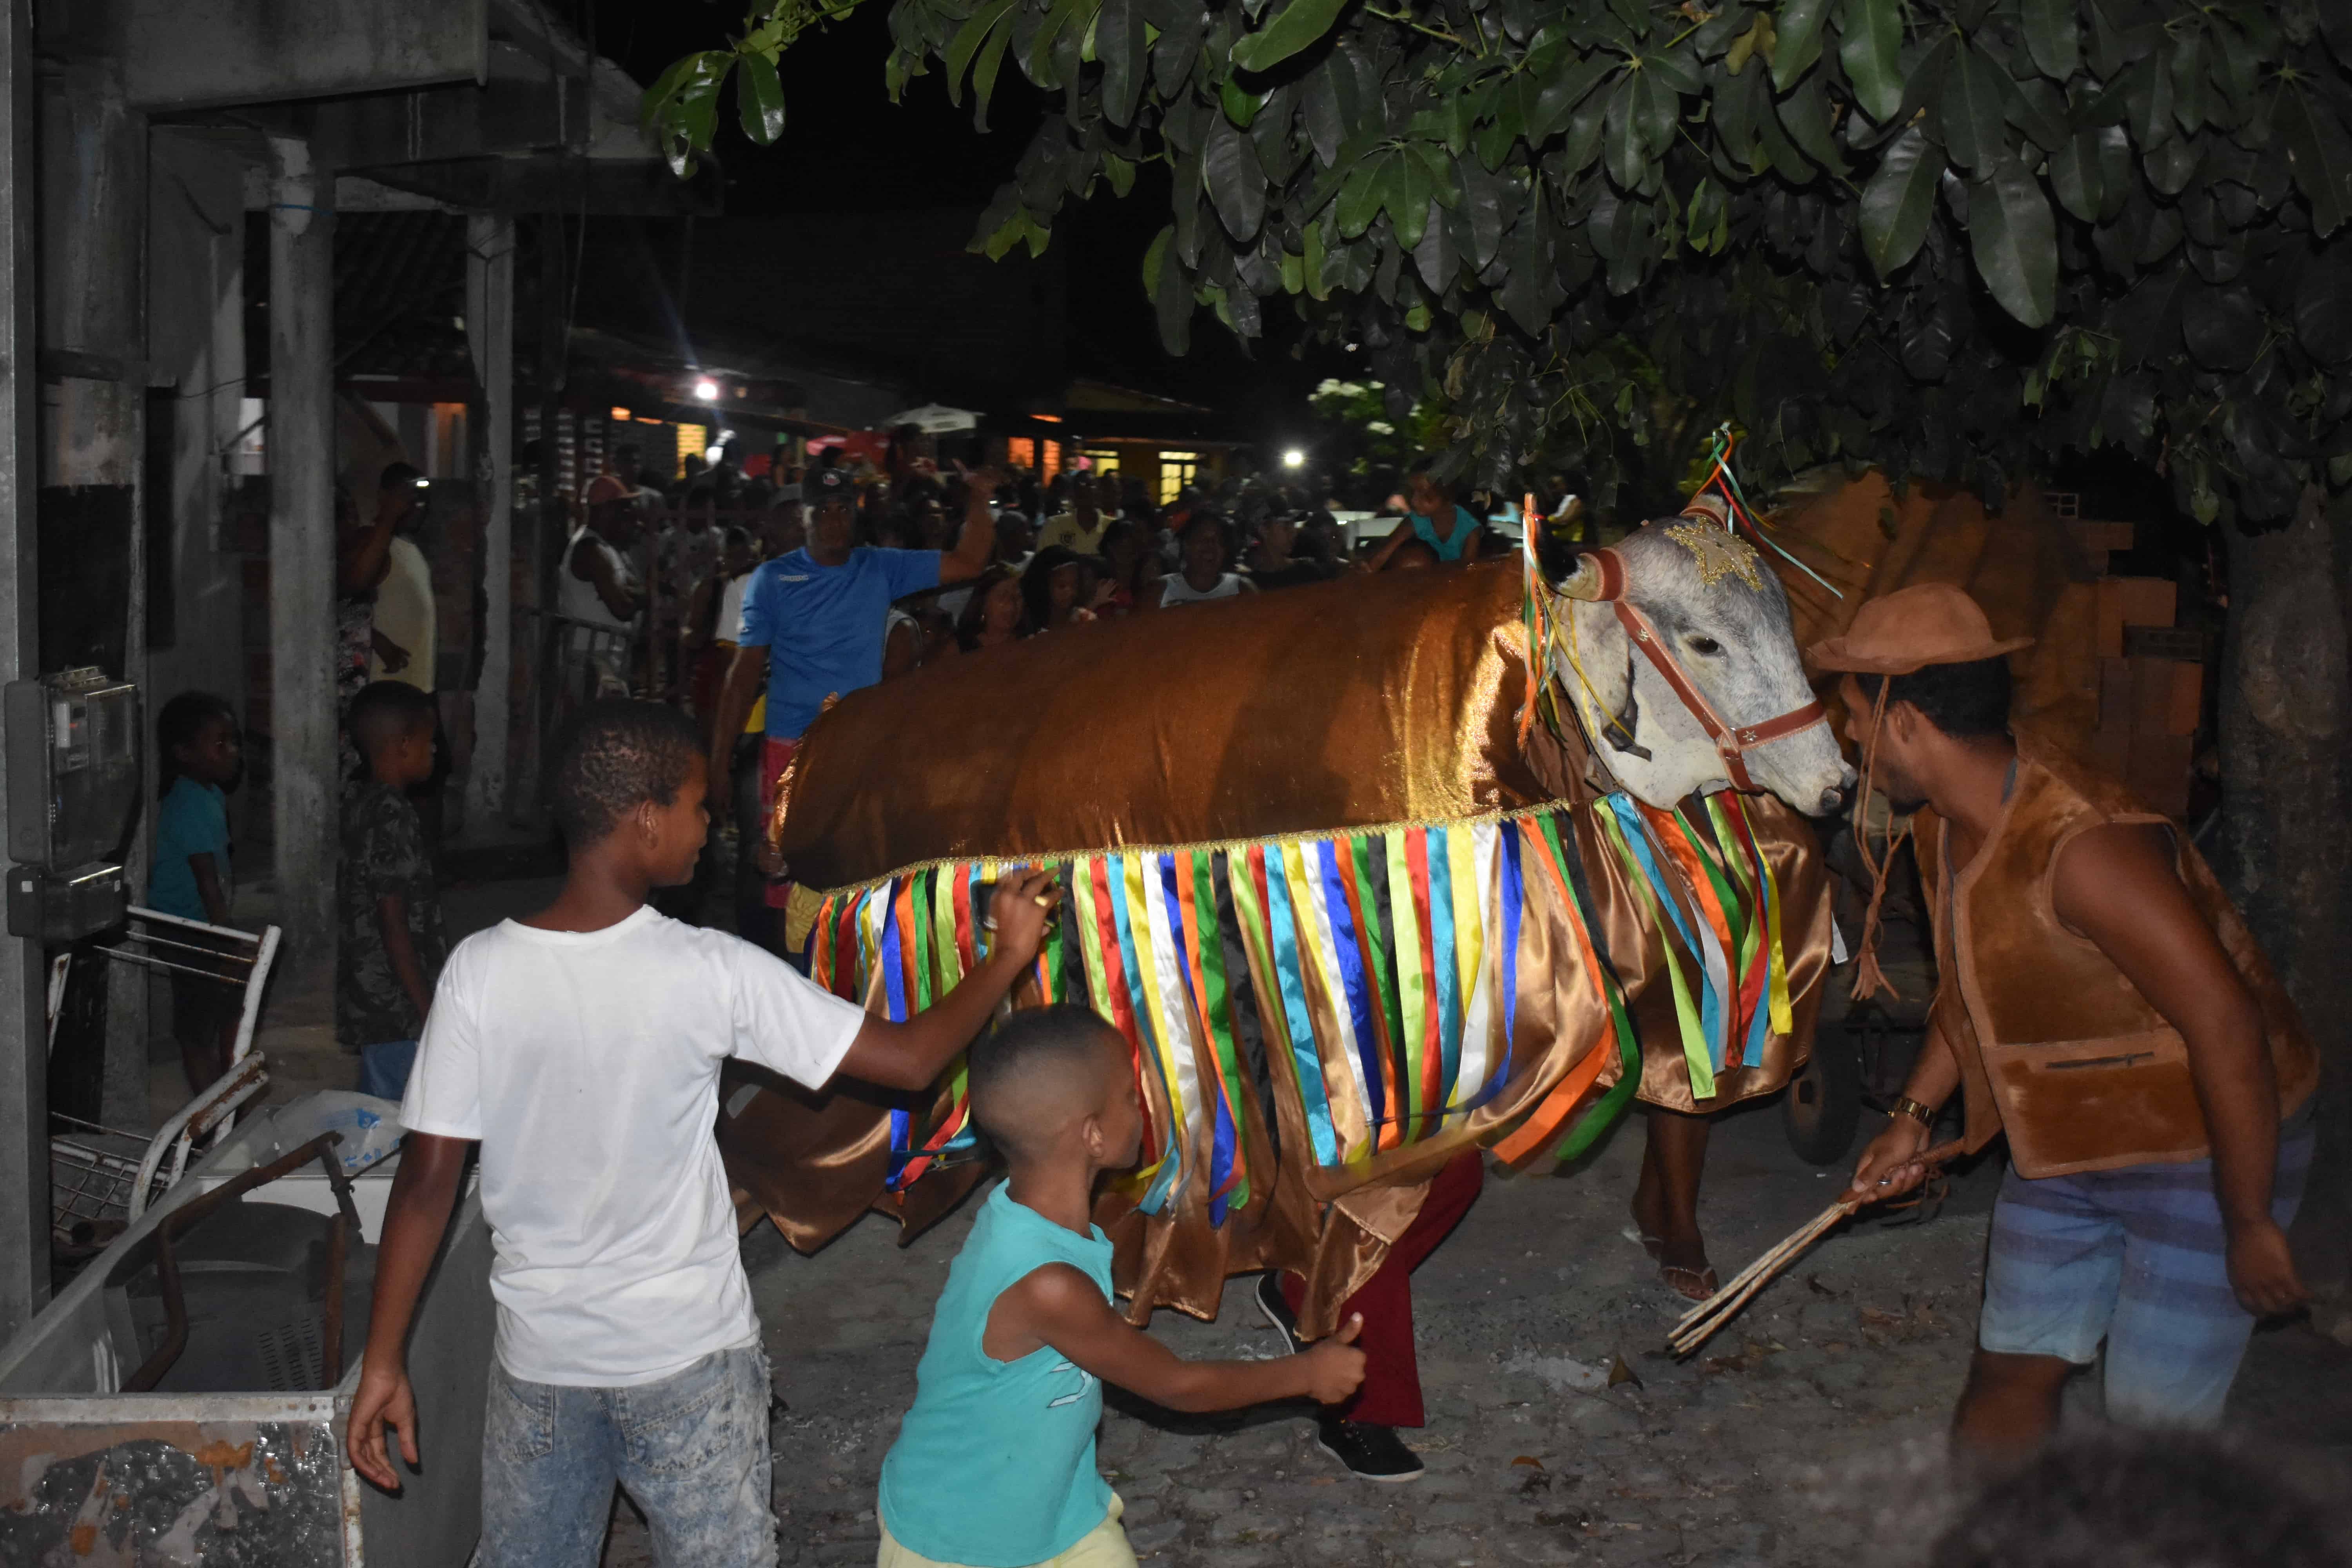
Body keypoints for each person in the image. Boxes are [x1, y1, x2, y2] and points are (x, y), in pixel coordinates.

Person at [346, 701, 1060, 1566]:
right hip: (686, 1357)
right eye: (696, 805)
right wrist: (1007, 956)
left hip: (541, 1366)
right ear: (646, 819)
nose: (708, 827)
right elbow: (910, 1061)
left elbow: (427, 1183)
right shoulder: (709, 970)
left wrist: (382, 1362)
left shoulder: (478, 971)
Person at [1824, 584, 2318, 1448]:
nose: (1851, 738)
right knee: (2012, 1368)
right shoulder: (1943, 823)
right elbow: (1971, 991)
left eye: (1856, 717)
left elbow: (2228, 1026)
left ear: (1905, 722)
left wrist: (2248, 1221)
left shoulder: (2084, 847)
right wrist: (1911, 1117)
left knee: (2152, 1425)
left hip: (2205, 1142)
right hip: (2064, 1142)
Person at [876, 1007, 1366, 1567]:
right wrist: (1308, 1374)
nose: (1143, 1109)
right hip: (954, 1538)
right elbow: (1178, 1385)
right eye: (1131, 1097)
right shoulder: (1047, 1284)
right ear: (1093, 1135)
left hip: (1058, 1517)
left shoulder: (1028, 1214)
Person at [704, 466, 999, 935]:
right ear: (804, 516)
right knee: (784, 879)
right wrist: (718, 762)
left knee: (857, 877)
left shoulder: (878, 566)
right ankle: (787, 974)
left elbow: (969, 563)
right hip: (792, 748)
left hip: (858, 746)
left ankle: (848, 971)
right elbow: (742, 676)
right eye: (823, 510)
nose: (834, 520)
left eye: (843, 509)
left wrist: (980, 500)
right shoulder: (772, 579)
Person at [339, 682, 448, 1101]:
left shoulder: (360, 800)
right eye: (429, 741)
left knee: (380, 1101)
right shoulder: (392, 813)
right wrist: (426, 1006)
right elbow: (392, 920)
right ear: (404, 745)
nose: (434, 750)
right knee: (396, 1111)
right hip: (396, 1005)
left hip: (372, 995)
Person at [150, 691, 243, 1093]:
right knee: (197, 1027)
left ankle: (227, 1094)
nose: (233, 751)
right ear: (184, 753)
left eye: (234, 741)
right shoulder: (188, 801)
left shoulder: (210, 795)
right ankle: (210, 1109)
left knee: (229, 1006)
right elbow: (207, 881)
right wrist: (226, 941)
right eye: (220, 743)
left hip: (201, 921)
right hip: (183, 927)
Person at [559, 474, 644, 707]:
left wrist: (635, 595)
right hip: (593, 657)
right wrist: (641, 597)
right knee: (599, 722)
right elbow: (623, 608)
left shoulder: (607, 548)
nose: (629, 514)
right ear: (606, 511)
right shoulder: (590, 549)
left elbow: (635, 589)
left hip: (605, 653)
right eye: (623, 508)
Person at [366, 467, 436, 691]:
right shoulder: (371, 546)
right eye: (406, 497)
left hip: (417, 687)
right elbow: (340, 605)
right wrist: (376, 640)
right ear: (384, 497)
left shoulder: (411, 548)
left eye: (421, 500)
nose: (415, 506)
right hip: (385, 692)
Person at [1363, 470, 1484, 570]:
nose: (1414, 501)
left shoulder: (1470, 530)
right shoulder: (1416, 520)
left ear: (1448, 496)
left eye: (1424, 494)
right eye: (1412, 493)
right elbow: (1382, 555)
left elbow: (1468, 573)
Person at [1144, 515, 1254, 608]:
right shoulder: (1160, 590)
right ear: (1186, 545)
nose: (1210, 546)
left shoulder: (1242, 589)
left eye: (1218, 540)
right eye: (1202, 539)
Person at [1247, 511, 1343, 591]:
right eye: (1286, 527)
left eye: (1293, 525)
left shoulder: (1308, 573)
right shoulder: (1245, 580)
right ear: (1264, 530)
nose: (1294, 533)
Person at [955, 564, 1028, 652]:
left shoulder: (1031, 642)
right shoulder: (958, 649)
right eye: (1003, 596)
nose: (1012, 604)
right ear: (983, 603)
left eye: (1018, 596)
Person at [1020, 546, 1093, 632]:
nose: (1071, 593)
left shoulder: (1083, 618)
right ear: (1043, 585)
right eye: (1062, 586)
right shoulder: (1025, 621)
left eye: (1075, 585)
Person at [1036, 472, 1110, 555]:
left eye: (1089, 485)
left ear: (1099, 493)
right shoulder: (1054, 525)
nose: (1084, 489)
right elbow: (1041, 561)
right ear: (1072, 494)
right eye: (1079, 487)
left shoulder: (1112, 527)